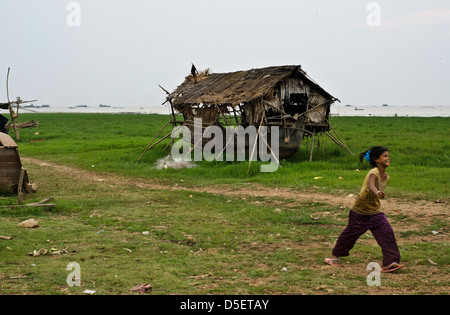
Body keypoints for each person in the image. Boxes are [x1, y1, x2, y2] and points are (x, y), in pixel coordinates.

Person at [325, 146, 404, 273]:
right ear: (376, 160)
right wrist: (377, 192)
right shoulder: (374, 172)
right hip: (360, 212)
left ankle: (390, 262)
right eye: (385, 156)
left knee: (387, 234)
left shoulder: (386, 176)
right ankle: (334, 257)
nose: (388, 158)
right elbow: (371, 184)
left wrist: (378, 194)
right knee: (349, 235)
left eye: (388, 156)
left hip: (375, 212)